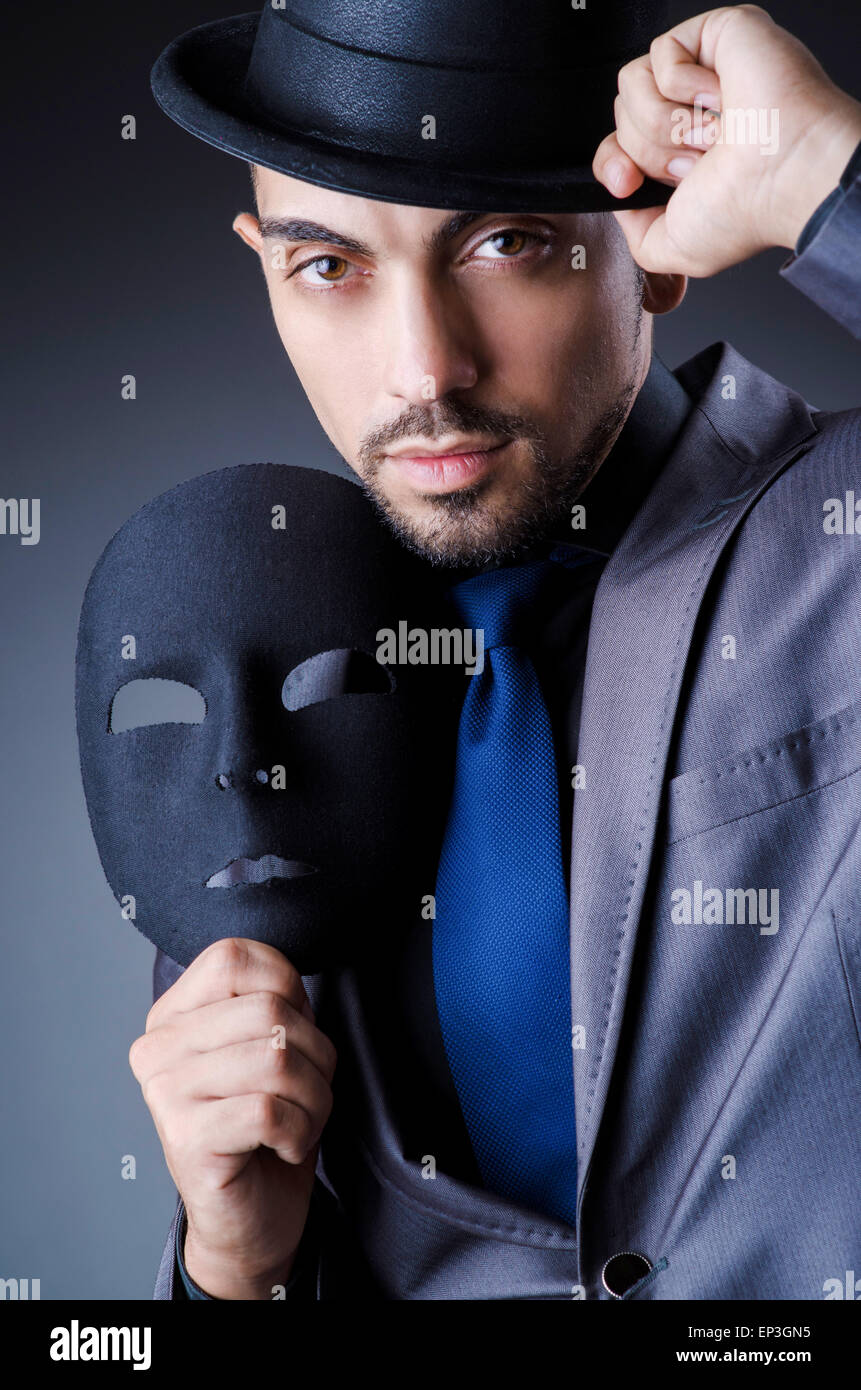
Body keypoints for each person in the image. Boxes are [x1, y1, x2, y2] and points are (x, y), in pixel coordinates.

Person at [136, 1, 861, 1299]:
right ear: (261, 261)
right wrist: (231, 1266)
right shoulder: (257, 700)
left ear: (653, 247)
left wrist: (829, 180)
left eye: (505, 243)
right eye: (326, 264)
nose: (424, 366)